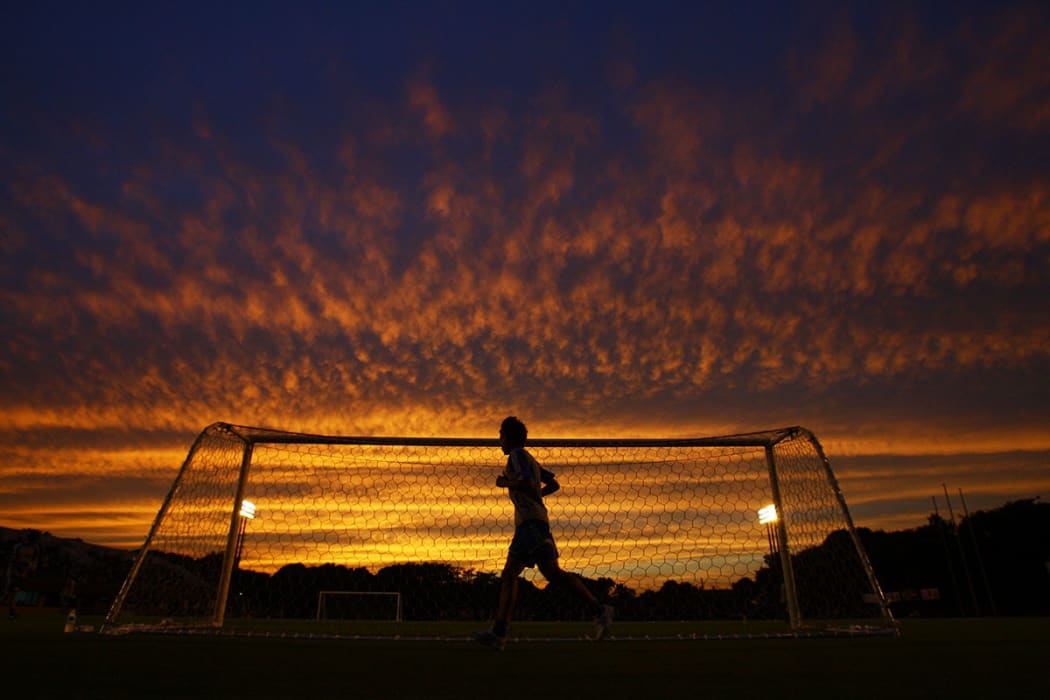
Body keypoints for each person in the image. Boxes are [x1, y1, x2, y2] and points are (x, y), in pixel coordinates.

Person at [473, 416, 613, 650]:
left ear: (508, 437)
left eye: (501, 436)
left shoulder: (517, 455)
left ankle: (499, 633)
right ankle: (600, 610)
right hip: (537, 521)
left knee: (510, 575)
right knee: (553, 575)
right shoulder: (530, 459)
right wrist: (537, 497)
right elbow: (553, 484)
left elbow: (527, 482)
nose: (500, 441)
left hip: (529, 524)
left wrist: (506, 483)